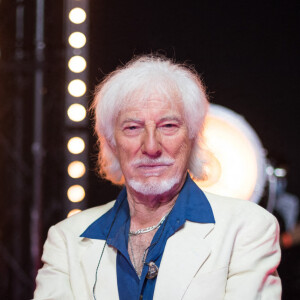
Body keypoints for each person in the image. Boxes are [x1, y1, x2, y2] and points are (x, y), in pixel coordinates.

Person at [33, 55, 281, 299]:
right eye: (132, 127)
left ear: (192, 137)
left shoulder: (247, 228)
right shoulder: (65, 240)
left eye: (168, 126)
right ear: (111, 143)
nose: (151, 146)